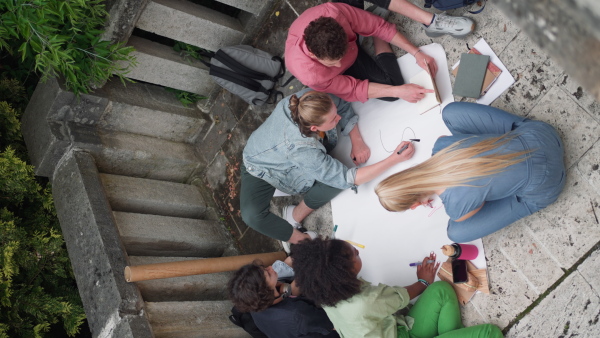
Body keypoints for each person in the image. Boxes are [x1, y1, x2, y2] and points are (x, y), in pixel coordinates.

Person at [241, 89, 415, 246]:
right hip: (260, 167)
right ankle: (300, 240)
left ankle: (295, 214)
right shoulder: (302, 150)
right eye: (333, 119)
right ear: (314, 127)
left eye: (335, 113)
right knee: (252, 215)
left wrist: (357, 140)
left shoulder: (312, 100)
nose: (338, 118)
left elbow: (341, 103)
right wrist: (393, 159)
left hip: (282, 152)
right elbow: (347, 178)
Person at [375, 102, 566, 242]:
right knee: (450, 113)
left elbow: (474, 201)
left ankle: (519, 187)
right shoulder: (440, 146)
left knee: (455, 233)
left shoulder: (456, 208)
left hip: (549, 183)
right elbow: (446, 138)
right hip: (543, 135)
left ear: (415, 205)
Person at [290, 238, 503, 338]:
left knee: (442, 291)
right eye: (354, 254)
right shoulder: (366, 301)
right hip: (396, 331)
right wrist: (422, 281)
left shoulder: (327, 292)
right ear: (342, 271)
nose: (357, 249)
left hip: (398, 330)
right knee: (490, 333)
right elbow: (403, 296)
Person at [285, 0, 474, 103]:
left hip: (345, 27)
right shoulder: (311, 75)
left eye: (340, 58)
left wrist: (416, 52)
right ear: (312, 55)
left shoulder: (336, 13)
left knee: (371, 25)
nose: (339, 65)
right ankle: (367, 21)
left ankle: (432, 21)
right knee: (393, 92)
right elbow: (352, 89)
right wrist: (398, 91)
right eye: (332, 63)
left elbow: (379, 27)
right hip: (333, 70)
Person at [227, 257, 339, 337]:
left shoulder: (255, 306)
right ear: (265, 291)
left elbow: (290, 290)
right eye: (268, 273)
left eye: (265, 268)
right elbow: (335, 323)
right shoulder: (296, 314)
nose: (271, 267)